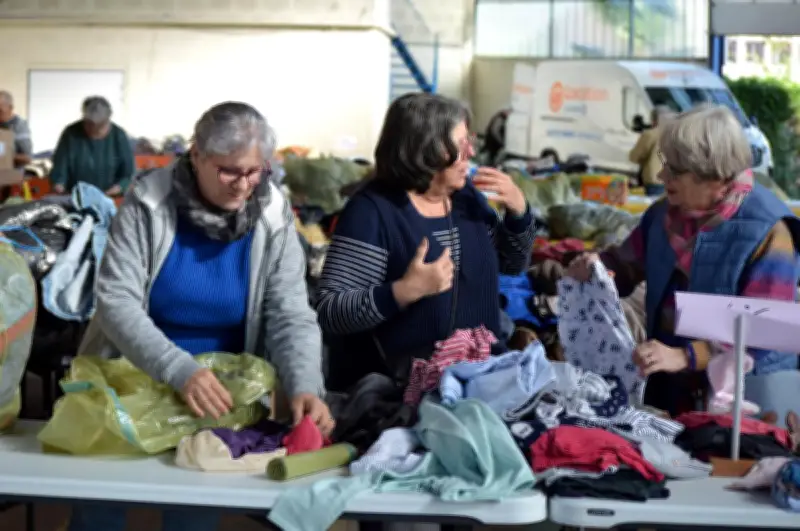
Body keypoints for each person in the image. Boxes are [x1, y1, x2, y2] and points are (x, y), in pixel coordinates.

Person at [71, 102, 331, 531]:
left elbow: (289, 311)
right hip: (131, 375)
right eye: (228, 170)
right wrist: (178, 368)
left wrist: (305, 382)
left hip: (218, 396)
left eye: (254, 171)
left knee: (192, 507)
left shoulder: (272, 213)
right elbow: (117, 300)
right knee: (103, 499)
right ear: (197, 156)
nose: (242, 184)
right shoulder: (148, 202)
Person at [569, 104, 800, 416]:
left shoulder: (769, 231)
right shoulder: (662, 217)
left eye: (676, 171)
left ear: (715, 176)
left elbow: (765, 328)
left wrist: (687, 356)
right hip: (670, 384)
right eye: (666, 164)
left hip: (745, 399)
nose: (662, 175)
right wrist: (597, 267)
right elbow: (625, 265)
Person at [316, 93, 538, 392]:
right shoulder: (372, 212)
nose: (471, 152)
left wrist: (519, 212)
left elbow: (512, 264)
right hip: (401, 391)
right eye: (461, 146)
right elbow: (332, 311)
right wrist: (404, 292)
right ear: (426, 149)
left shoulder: (465, 199)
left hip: (479, 377)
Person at [50, 96, 135, 196]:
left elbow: (128, 174)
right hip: (75, 197)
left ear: (108, 121)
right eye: (89, 125)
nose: (93, 131)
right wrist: (59, 186)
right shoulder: (71, 134)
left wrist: (118, 188)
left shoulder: (119, 136)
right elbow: (60, 168)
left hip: (110, 197)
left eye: (100, 127)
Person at [629, 105, 674, 196]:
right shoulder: (678, 133)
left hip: (655, 181)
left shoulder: (651, 134)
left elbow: (634, 157)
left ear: (654, 120)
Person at [0, 90, 33, 167]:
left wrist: (5, 154)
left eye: (0, 111)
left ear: (10, 108)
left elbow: (27, 158)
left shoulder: (20, 127)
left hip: (11, 174)